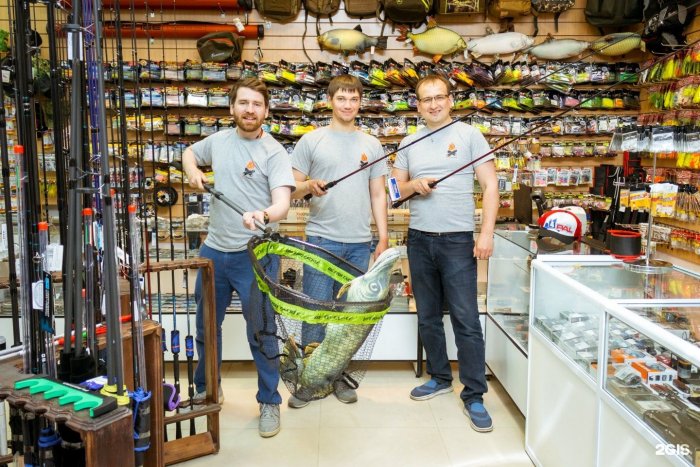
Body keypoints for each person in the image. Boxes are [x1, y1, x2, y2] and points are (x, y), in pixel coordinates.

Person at [182, 78, 295, 438]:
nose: (249, 110)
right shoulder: (218, 141)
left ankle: (269, 401)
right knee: (205, 327)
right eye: (243, 103)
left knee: (262, 332)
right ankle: (207, 389)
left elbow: (282, 203)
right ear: (232, 107)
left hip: (255, 255)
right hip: (214, 252)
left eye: (256, 104)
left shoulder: (275, 152)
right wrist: (193, 171)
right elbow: (189, 153)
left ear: (266, 110)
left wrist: (263, 214)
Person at [391, 74, 499, 433]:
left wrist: (486, 234)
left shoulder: (470, 135)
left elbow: (490, 185)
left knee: (466, 319)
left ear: (450, 100)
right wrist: (413, 185)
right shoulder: (409, 141)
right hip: (420, 240)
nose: (434, 104)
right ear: (418, 105)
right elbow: (394, 190)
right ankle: (439, 377)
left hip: (457, 241)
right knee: (427, 316)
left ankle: (474, 394)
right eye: (427, 99)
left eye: (440, 97)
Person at [288, 74, 389, 408]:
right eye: (342, 98)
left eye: (354, 99)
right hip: (320, 241)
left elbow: (378, 194)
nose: (348, 105)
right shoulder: (311, 141)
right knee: (315, 312)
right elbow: (292, 189)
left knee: (349, 319)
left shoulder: (372, 144)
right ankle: (309, 380)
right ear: (330, 100)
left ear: (360, 103)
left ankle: (339, 375)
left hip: (359, 245)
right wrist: (308, 186)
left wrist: (383, 237)